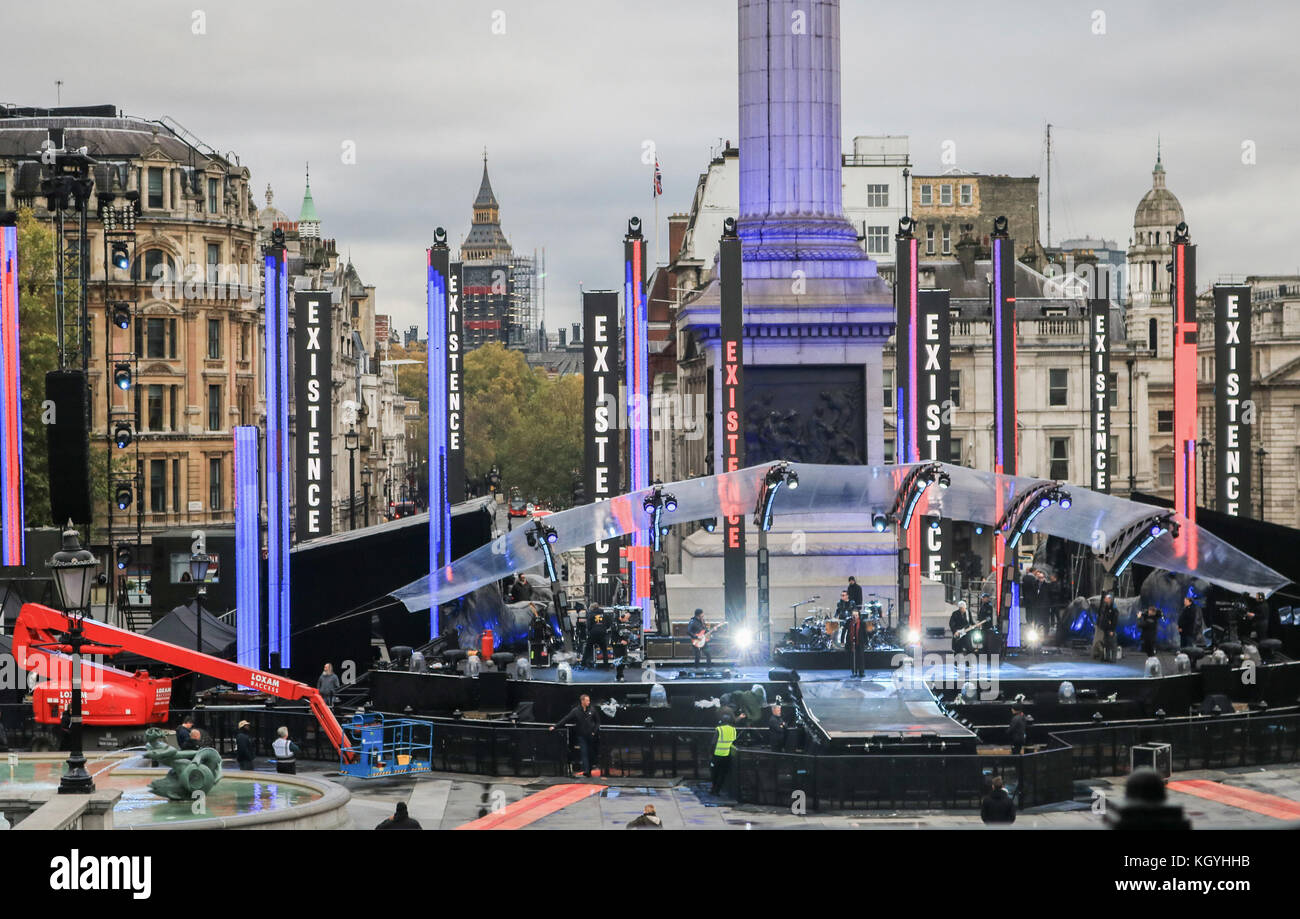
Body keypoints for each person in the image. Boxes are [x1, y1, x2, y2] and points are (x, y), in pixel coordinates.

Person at [551, 693, 600, 777]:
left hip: (591, 735)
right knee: (584, 752)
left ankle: (590, 769)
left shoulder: (592, 709)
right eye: (587, 700)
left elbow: (597, 722)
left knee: (591, 753)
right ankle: (586, 771)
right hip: (581, 735)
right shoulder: (576, 711)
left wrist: (594, 732)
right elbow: (565, 719)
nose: (589, 702)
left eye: (589, 700)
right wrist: (555, 726)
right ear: (582, 701)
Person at [710, 714, 737, 796]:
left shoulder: (719, 729)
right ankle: (718, 790)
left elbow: (713, 743)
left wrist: (711, 753)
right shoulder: (733, 730)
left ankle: (713, 789)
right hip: (727, 755)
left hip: (717, 755)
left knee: (714, 773)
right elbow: (734, 741)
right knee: (722, 774)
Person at [1092, 593, 1119, 662]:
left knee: (1112, 644)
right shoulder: (1106, 607)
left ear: (1109, 599)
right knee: (1107, 644)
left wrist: (1112, 630)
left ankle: (1113, 659)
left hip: (1111, 629)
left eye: (1106, 599)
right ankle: (1107, 658)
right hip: (1106, 628)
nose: (1105, 600)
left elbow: (1114, 620)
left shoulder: (1114, 609)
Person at [843, 608, 868, 677]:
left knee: (860, 657)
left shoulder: (862, 623)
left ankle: (861, 672)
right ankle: (854, 672)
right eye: (853, 615)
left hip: (859, 642)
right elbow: (844, 631)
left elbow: (865, 633)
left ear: (858, 615)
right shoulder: (849, 622)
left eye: (856, 615)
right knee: (852, 658)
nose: (855, 617)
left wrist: (866, 642)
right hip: (851, 642)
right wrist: (842, 640)